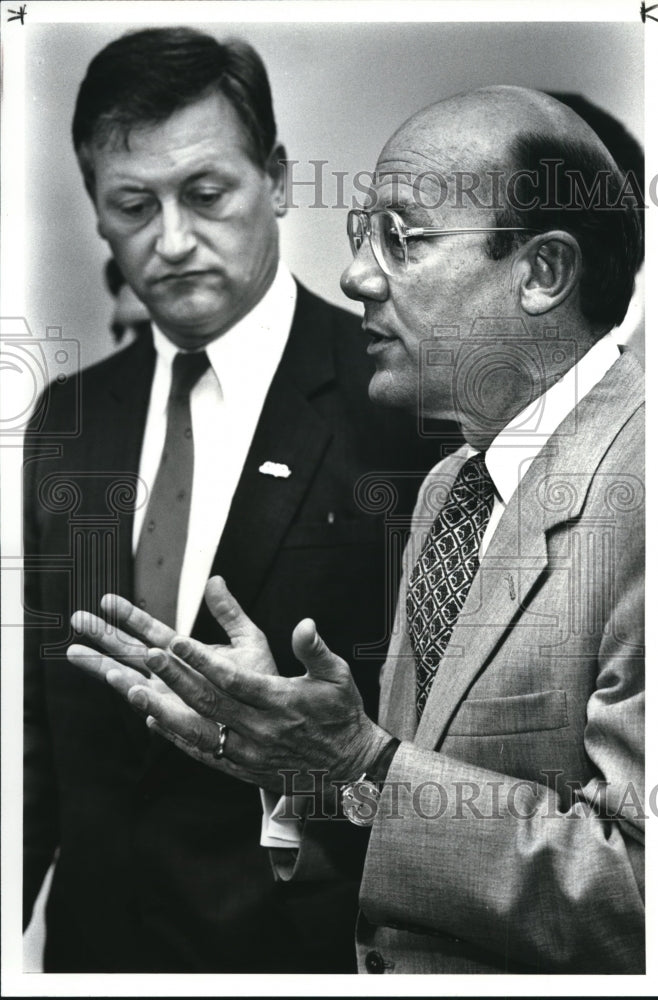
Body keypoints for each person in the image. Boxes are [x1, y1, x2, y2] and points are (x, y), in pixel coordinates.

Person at [69, 85, 645, 973]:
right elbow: (412, 805)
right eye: (360, 235)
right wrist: (296, 759)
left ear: (541, 273)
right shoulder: (451, 485)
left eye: (401, 239)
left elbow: (655, 892)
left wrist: (360, 762)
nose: (357, 276)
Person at [24, 27, 447, 973]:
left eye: (206, 194)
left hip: (304, 953)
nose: (171, 241)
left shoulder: (398, 403)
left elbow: (445, 736)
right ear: (97, 214)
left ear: (280, 177)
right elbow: (37, 732)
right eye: (133, 205)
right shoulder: (67, 418)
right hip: (93, 954)